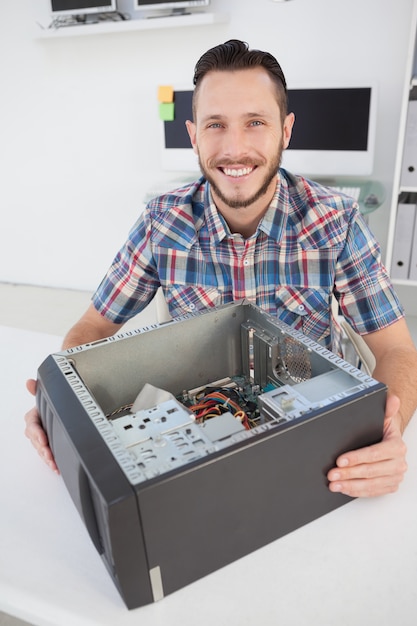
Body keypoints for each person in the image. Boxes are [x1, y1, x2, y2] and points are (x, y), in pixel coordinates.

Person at [25, 39, 417, 498]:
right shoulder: (161, 221)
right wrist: (56, 404)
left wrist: (384, 433)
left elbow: (396, 351)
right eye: (216, 125)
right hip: (200, 443)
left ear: (285, 131)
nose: (235, 148)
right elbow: (93, 326)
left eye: (255, 122)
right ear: (194, 136)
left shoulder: (337, 221)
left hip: (314, 442)